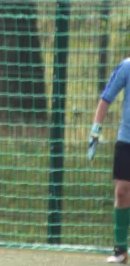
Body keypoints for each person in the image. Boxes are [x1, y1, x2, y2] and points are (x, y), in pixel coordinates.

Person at [88, 58, 130, 264]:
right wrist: (96, 128)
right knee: (122, 190)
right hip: (127, 139)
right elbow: (107, 98)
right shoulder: (127, 66)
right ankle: (120, 250)